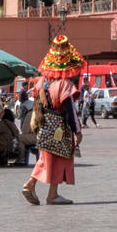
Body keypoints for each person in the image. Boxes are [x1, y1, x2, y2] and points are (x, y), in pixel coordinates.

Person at [24, 36, 84, 204]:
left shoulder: (42, 82)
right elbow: (69, 110)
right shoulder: (64, 85)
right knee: (61, 158)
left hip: (44, 125)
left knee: (45, 158)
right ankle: (52, 194)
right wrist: (77, 131)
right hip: (59, 127)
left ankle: (30, 184)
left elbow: (37, 102)